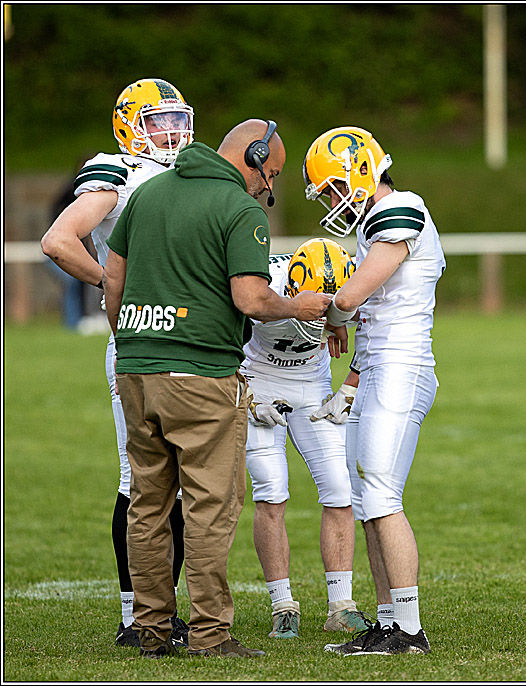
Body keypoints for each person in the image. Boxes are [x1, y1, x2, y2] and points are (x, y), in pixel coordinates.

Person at [102, 118, 332, 657]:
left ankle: (151, 629)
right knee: (210, 506)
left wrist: (132, 342)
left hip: (135, 368)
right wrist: (297, 306)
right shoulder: (240, 209)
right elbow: (251, 298)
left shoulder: (147, 192)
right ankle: (210, 634)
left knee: (148, 504)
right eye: (271, 173)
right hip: (201, 375)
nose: (268, 187)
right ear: (254, 156)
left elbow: (113, 277)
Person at [39, 78, 193, 649]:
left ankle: (162, 611)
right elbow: (59, 240)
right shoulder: (119, 171)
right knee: (142, 481)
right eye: (158, 121)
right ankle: (136, 614)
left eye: (177, 119)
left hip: (186, 342)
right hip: (137, 344)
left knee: (182, 486)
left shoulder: (188, 172)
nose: (171, 132)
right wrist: (113, 283)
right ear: (130, 127)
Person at [302, 126, 444, 655]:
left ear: (361, 172)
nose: (333, 202)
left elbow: (353, 297)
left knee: (382, 493)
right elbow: (371, 316)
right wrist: (352, 380)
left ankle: (410, 629)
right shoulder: (372, 224)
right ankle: (387, 622)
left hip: (404, 368)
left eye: (335, 188)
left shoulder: (402, 207)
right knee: (366, 501)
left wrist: (329, 314)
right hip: (380, 368)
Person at [241, 237, 373, 639]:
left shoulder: (352, 280)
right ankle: (282, 605)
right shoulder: (260, 281)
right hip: (259, 378)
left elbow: (378, 331)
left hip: (312, 382)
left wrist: (350, 385)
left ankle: (341, 605)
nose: (320, 314)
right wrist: (243, 392)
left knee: (340, 487)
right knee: (271, 489)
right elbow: (216, 331)